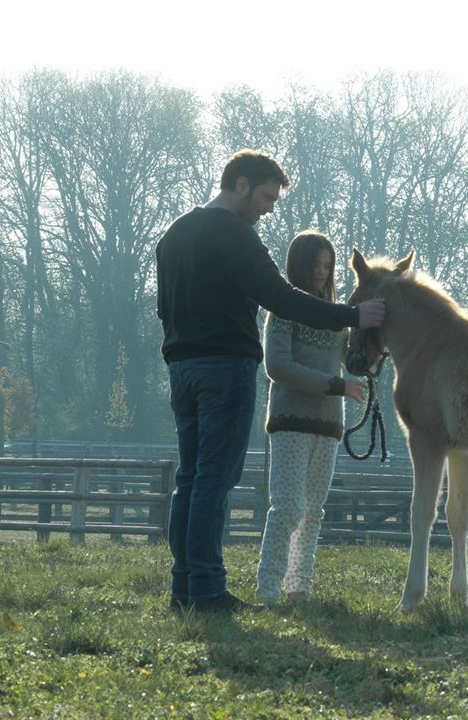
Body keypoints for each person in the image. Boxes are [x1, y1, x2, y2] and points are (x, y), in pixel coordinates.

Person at [156, 149, 385, 615]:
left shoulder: (174, 235)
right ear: (239, 184)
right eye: (265, 197)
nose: (268, 208)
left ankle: (185, 587)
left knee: (190, 478)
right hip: (226, 368)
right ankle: (207, 591)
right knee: (214, 482)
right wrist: (352, 315)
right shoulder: (236, 236)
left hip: (183, 369)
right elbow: (281, 297)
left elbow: (165, 309)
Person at [255, 231, 366, 606]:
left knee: (313, 512)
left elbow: (348, 363)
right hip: (290, 420)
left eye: (327, 267)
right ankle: (268, 589)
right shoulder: (284, 311)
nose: (322, 273)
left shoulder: (335, 317)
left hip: (328, 425)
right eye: (315, 265)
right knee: (288, 506)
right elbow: (278, 366)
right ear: (299, 266)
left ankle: (298, 587)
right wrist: (335, 385)